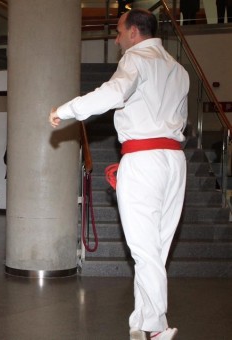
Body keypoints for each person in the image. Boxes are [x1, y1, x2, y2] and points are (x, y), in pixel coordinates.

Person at [49, 9, 188, 340]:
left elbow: (113, 94)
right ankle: (142, 318)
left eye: (118, 32)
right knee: (156, 249)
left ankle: (155, 327)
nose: (116, 38)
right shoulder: (179, 69)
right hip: (174, 160)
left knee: (144, 249)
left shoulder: (136, 59)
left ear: (134, 33)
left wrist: (64, 111)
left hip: (144, 160)